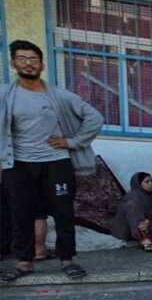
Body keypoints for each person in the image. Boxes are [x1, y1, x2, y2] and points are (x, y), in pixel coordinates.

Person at [0, 39, 103, 282]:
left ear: (42, 65)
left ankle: (68, 260)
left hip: (56, 162)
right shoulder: (6, 95)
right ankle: (24, 262)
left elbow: (94, 118)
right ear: (14, 63)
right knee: (21, 213)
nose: (28, 63)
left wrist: (72, 142)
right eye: (23, 59)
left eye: (33, 59)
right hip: (19, 164)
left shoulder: (59, 96)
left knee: (63, 212)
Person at [110, 173, 152, 251]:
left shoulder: (147, 196)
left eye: (151, 181)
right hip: (127, 228)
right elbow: (134, 218)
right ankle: (145, 241)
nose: (151, 184)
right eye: (147, 182)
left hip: (142, 225)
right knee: (132, 208)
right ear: (138, 184)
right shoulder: (132, 198)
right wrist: (144, 224)